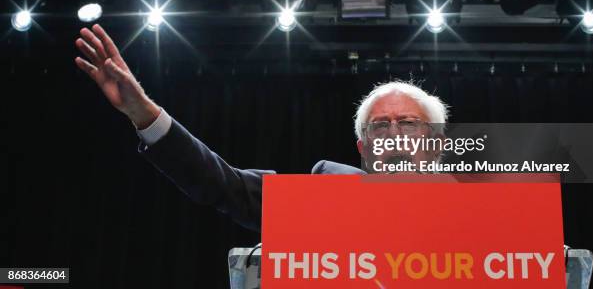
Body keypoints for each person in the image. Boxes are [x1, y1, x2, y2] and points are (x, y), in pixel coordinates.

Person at [74, 24, 449, 232]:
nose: (393, 133)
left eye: (409, 123)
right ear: (362, 150)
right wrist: (144, 112)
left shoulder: (486, 202)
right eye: (380, 127)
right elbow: (227, 187)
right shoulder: (331, 189)